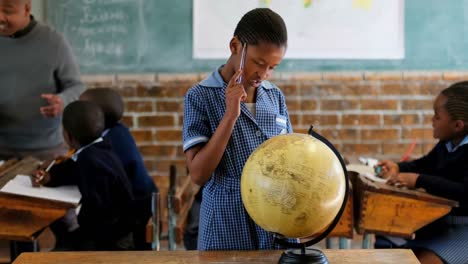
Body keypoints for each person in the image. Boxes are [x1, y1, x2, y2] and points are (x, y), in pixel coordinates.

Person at [183, 8, 292, 250]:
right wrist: (230, 115)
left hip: (274, 221)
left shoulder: (275, 97)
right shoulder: (200, 97)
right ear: (235, 46)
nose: (263, 74)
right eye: (258, 62)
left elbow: (290, 159)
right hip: (226, 225)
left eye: (272, 67)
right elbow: (198, 175)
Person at [376, 82, 468, 264]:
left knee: (422, 261)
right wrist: (397, 167)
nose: (432, 120)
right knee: (388, 246)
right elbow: (425, 164)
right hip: (439, 225)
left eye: (437, 116)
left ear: (457, 125)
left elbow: (464, 192)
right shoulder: (448, 144)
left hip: (464, 231)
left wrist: (418, 180)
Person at [34, 101, 135, 251]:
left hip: (113, 240)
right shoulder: (98, 148)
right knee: (61, 232)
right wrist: (50, 176)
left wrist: (75, 227)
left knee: (60, 244)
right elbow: (72, 169)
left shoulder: (91, 162)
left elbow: (100, 212)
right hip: (110, 230)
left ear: (68, 135)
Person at [0, 0, 84, 160]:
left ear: (27, 9)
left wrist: (62, 100)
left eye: (7, 11)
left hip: (45, 151)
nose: (0, 17)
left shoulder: (53, 42)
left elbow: (76, 87)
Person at [79, 88, 158, 250]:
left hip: (135, 215)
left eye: (82, 108)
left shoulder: (108, 144)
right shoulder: (118, 130)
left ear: (95, 116)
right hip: (143, 204)